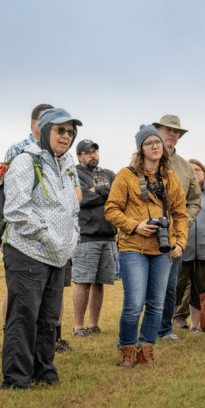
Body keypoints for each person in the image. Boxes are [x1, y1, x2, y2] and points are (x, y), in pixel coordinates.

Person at [0, 107, 81, 390]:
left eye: (70, 132)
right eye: (60, 130)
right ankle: (16, 379)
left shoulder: (66, 165)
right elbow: (16, 211)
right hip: (27, 252)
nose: (66, 136)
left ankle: (43, 371)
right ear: (45, 130)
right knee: (23, 318)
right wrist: (49, 237)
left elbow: (72, 207)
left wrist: (72, 237)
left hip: (57, 255)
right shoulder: (25, 161)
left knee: (48, 319)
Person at [105, 126, 187, 367]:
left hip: (163, 248)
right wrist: (134, 225)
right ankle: (127, 348)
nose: (155, 146)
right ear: (140, 149)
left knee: (157, 304)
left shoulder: (170, 177)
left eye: (158, 142)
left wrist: (180, 241)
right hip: (133, 246)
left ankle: (146, 348)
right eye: (149, 142)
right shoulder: (126, 175)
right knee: (134, 304)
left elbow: (181, 214)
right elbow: (111, 209)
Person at [151, 114, 201, 343]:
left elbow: (195, 201)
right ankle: (149, 326)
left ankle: (164, 329)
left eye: (176, 131)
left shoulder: (185, 167)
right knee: (149, 285)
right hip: (146, 233)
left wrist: (183, 224)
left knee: (171, 286)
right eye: (168, 130)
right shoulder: (144, 161)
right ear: (157, 131)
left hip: (175, 237)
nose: (173, 134)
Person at [72, 139, 117, 338]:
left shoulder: (108, 174)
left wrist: (94, 191)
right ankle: (78, 327)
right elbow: (80, 199)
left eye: (95, 152)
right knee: (83, 282)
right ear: (79, 156)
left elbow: (117, 196)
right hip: (86, 236)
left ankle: (94, 325)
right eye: (88, 152)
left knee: (100, 283)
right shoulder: (74, 174)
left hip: (109, 235)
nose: (93, 155)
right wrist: (104, 193)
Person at [172, 159, 205, 331]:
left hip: (204, 251)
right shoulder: (181, 193)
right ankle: (167, 324)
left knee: (200, 290)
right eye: (191, 170)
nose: (194, 172)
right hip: (182, 249)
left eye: (198, 170)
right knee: (176, 288)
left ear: (204, 173)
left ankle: (195, 326)